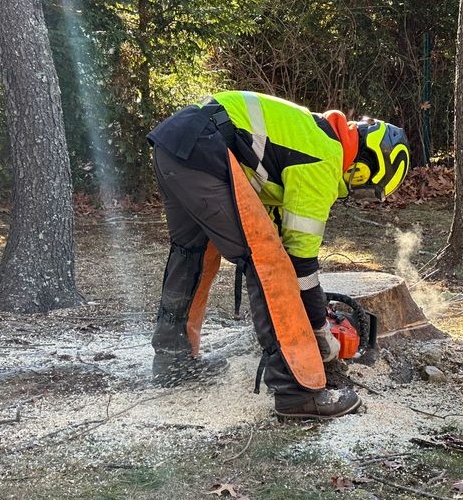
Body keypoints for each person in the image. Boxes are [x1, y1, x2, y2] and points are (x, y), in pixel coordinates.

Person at [146, 91, 410, 419]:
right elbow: (296, 263)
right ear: (364, 164)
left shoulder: (308, 134)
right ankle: (297, 392)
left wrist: (313, 310)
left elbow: (277, 232)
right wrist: (318, 328)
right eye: (363, 185)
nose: (355, 193)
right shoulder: (324, 157)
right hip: (205, 149)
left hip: (175, 146)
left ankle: (174, 360)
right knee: (269, 266)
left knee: (193, 255)